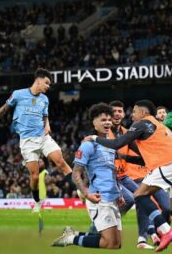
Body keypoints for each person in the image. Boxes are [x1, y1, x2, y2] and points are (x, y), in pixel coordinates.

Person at [84, 100, 172, 253]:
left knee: (139, 195)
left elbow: (117, 143)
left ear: (142, 112)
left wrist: (94, 138)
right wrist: (125, 158)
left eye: (134, 112)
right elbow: (142, 158)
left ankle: (166, 231)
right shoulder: (158, 127)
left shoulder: (142, 123)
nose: (132, 115)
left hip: (170, 164)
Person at [0, 68, 73, 212]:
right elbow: (4, 109)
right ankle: (36, 202)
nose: (48, 86)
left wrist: (47, 124)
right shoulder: (18, 94)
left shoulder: (44, 99)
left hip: (43, 137)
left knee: (61, 162)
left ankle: (82, 191)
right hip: (27, 141)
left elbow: (45, 115)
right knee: (35, 177)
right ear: (38, 80)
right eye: (47, 83)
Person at [52, 103, 124, 249]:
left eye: (109, 120)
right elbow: (76, 173)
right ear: (94, 123)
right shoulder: (88, 145)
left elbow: (113, 172)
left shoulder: (111, 144)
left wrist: (119, 193)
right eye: (103, 120)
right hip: (99, 198)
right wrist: (86, 194)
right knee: (109, 243)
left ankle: (73, 234)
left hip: (113, 198)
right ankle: (71, 239)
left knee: (116, 244)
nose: (108, 123)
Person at [109, 100, 170, 249]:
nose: (117, 114)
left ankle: (143, 238)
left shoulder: (126, 132)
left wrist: (155, 154)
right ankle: (106, 226)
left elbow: (142, 153)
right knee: (132, 200)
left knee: (140, 198)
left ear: (123, 114)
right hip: (109, 178)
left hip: (123, 176)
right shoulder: (104, 133)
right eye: (114, 111)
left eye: (120, 111)